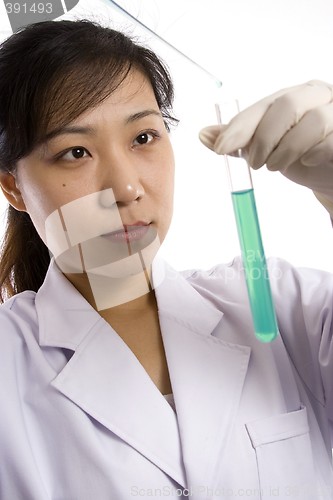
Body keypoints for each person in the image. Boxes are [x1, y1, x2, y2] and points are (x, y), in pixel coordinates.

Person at [0, 18, 332, 500]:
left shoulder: (278, 304)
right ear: (13, 186)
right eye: (76, 151)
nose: (127, 188)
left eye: (143, 138)